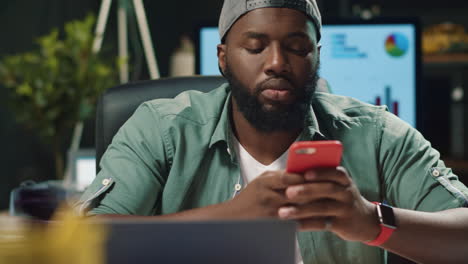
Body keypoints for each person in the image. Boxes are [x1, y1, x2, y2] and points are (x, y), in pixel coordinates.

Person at [77, 0, 468, 263]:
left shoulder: (377, 135)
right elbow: (80, 242)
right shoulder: (161, 129)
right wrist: (228, 218)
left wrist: (372, 221)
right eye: (255, 47)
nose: (277, 63)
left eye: (297, 47)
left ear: (317, 56)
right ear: (223, 57)